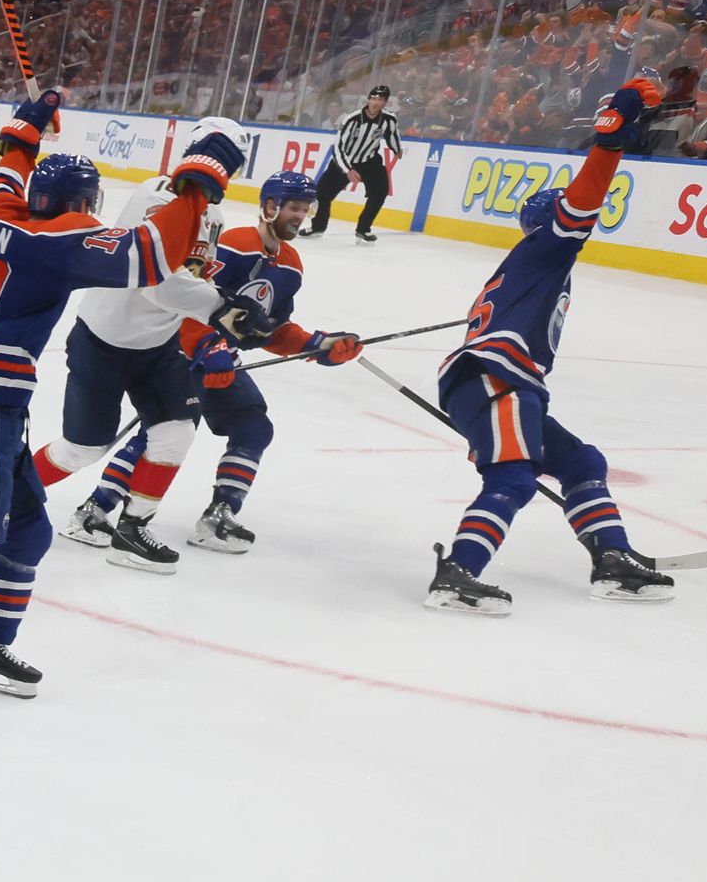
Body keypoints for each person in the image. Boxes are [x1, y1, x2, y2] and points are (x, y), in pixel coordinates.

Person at [0, 89, 244, 733]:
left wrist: (30, 125)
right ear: (83, 204)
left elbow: (10, 157)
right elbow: (149, 256)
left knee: (29, 532)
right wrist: (200, 179)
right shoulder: (60, 237)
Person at [427, 76, 674, 615]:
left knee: (582, 461)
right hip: (500, 379)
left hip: (504, 380)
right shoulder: (546, 247)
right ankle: (459, 572)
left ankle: (612, 558)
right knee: (512, 478)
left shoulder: (532, 265)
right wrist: (611, 141)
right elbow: (585, 202)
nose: (577, 219)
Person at [63, 171, 362, 555]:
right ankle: (95, 510)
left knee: (253, 427)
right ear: (270, 207)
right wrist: (206, 345)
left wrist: (317, 344)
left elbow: (270, 328)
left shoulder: (290, 265)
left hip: (224, 360)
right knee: (160, 435)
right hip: (180, 354)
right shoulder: (234, 245)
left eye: (304, 210)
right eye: (292, 208)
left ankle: (218, 515)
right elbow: (186, 301)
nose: (299, 216)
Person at [28, 126, 246, 574]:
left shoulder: (213, 217)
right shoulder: (157, 197)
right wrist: (221, 310)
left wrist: (211, 331)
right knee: (82, 450)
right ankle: (8, 500)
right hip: (104, 340)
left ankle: (131, 530)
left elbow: (195, 278)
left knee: (176, 434)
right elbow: (156, 282)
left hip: (158, 345)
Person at [302, 85, 403, 243]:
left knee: (380, 193)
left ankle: (363, 229)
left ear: (385, 102)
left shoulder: (389, 119)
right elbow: (338, 147)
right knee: (322, 193)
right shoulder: (352, 119)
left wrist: (397, 149)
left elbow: (392, 135)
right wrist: (348, 170)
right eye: (373, 98)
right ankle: (318, 227)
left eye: (380, 99)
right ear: (368, 99)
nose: (376, 102)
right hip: (345, 161)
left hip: (370, 162)